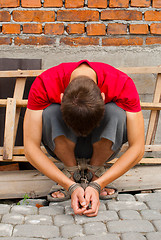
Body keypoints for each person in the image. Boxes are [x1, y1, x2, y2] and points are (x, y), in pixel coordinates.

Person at [24, 59, 144, 217]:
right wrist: (69, 186)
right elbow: (30, 148)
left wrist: (98, 184)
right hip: (64, 148)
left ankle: (96, 172)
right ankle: (71, 172)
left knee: (116, 112)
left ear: (103, 96)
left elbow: (138, 148)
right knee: (50, 112)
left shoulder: (121, 83)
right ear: (61, 98)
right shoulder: (45, 83)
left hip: (101, 148)